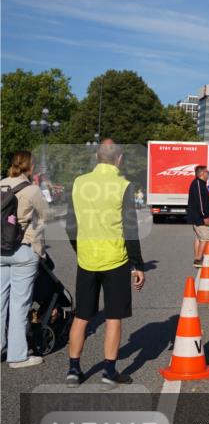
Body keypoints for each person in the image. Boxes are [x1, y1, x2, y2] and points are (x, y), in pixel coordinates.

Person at [65, 140, 146, 388]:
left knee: (81, 315)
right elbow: (130, 229)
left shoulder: (79, 183)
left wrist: (80, 248)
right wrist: (137, 264)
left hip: (87, 258)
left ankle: (73, 370)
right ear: (119, 159)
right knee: (114, 317)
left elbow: (71, 225)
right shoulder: (123, 185)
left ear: (96, 157)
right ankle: (109, 372)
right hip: (115, 259)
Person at [1, 151, 49, 368]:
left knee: (0, 302)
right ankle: (17, 356)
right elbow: (44, 217)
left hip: (0, 249)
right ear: (30, 166)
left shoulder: (1, 184)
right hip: (23, 248)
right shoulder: (32, 190)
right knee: (20, 305)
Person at [186, 166, 209, 267]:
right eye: (207, 172)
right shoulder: (198, 184)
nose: (208, 174)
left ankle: (197, 258)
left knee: (198, 238)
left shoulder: (199, 183)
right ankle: (198, 260)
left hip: (197, 217)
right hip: (200, 217)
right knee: (205, 238)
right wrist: (204, 216)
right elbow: (200, 202)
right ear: (201, 173)